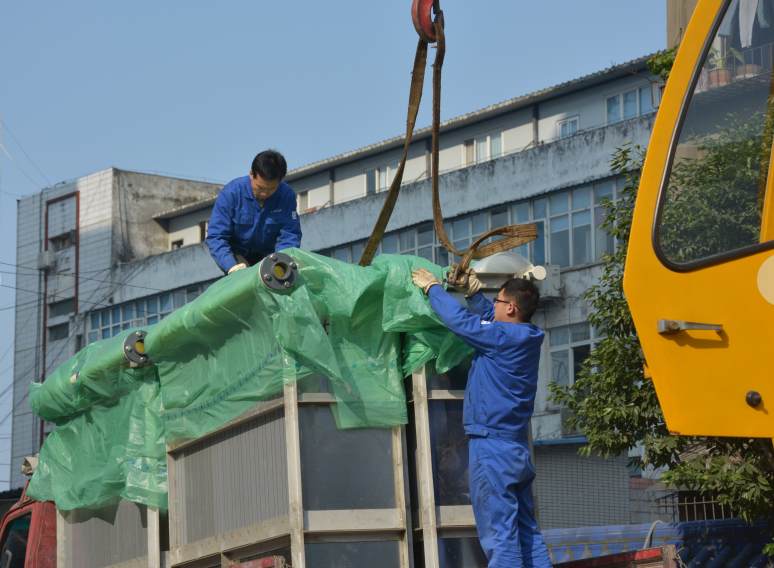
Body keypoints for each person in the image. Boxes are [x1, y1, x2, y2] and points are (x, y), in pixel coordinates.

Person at [411, 265, 552, 568]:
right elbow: (489, 317)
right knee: (526, 532)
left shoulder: (500, 337)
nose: (494, 306)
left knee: (500, 537)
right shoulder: (528, 335)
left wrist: (433, 288)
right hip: (515, 449)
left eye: (498, 301)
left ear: (511, 308)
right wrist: (473, 293)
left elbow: (461, 322)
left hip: (492, 450)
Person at [207, 150, 302, 274]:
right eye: (261, 187)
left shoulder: (287, 196)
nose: (264, 193)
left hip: (268, 254)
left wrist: (282, 262)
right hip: (236, 253)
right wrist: (230, 265)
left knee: (280, 279)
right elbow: (216, 236)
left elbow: (290, 235)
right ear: (251, 174)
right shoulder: (231, 194)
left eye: (272, 188)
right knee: (244, 277)